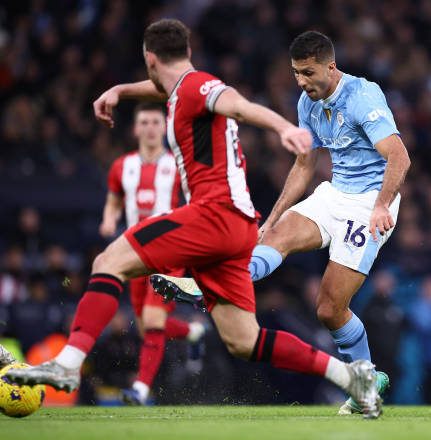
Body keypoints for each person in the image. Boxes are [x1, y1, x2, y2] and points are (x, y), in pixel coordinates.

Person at [7, 19, 381, 419]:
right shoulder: (182, 88)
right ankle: (350, 375)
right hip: (237, 228)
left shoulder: (196, 87)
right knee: (244, 340)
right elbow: (166, 89)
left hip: (213, 215)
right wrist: (120, 90)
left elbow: (235, 102)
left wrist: (283, 127)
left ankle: (68, 362)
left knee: (107, 262)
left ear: (149, 57)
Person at [151, 30, 410, 414]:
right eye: (296, 74)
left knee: (328, 308)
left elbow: (399, 157)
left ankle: (364, 381)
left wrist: (381, 205)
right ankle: (206, 286)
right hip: (334, 193)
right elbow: (305, 163)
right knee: (276, 236)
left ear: (331, 67)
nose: (302, 82)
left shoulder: (363, 96)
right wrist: (271, 218)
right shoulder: (308, 102)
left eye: (308, 73)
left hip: (369, 204)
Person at [99, 102, 205, 405]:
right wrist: (109, 218)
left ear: (164, 127)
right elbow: (114, 199)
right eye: (143, 122)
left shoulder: (177, 165)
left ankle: (140, 389)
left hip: (170, 251)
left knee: (153, 320)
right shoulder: (122, 166)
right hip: (134, 255)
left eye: (155, 122)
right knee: (147, 326)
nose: (149, 128)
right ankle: (192, 332)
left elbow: (197, 199)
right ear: (135, 129)